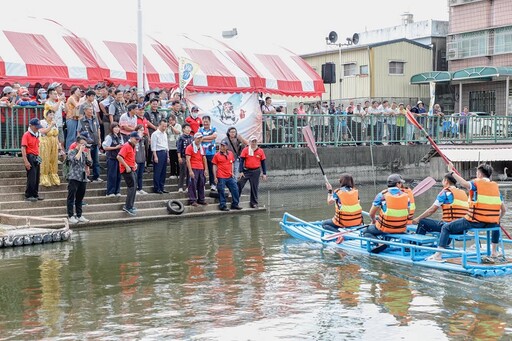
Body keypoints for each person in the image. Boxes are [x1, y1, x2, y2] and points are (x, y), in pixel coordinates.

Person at [426, 163, 507, 262]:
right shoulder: (496, 189)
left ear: (480, 174)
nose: (476, 174)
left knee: (445, 227)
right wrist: (496, 219)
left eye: (477, 172)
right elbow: (504, 210)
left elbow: (464, 184)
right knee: (497, 224)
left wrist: (452, 172)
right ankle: (494, 252)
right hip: (491, 224)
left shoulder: (477, 183)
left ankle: (438, 255)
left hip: (475, 222)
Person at [363, 174, 410, 253]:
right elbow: (407, 213)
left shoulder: (381, 195)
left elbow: (371, 213)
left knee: (366, 231)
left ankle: (379, 243)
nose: (401, 185)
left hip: (385, 228)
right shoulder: (406, 196)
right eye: (401, 183)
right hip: (401, 228)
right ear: (397, 184)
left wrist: (374, 220)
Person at [66, 136, 92, 224]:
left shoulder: (84, 154)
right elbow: (74, 160)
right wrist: (80, 150)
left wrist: (88, 152)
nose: (84, 146)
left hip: (82, 177)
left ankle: (79, 215)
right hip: (74, 177)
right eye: (82, 144)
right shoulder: (71, 151)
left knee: (80, 197)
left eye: (85, 144)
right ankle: (70, 215)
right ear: (77, 143)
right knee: (71, 197)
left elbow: (89, 163)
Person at [212, 138, 242, 211]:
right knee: (221, 190)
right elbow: (214, 166)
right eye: (221, 146)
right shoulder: (217, 155)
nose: (222, 147)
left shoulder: (230, 153)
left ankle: (235, 204)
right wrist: (215, 177)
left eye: (223, 146)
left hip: (229, 176)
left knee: (235, 189)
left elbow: (231, 163)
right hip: (221, 176)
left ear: (227, 147)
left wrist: (232, 172)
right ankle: (223, 205)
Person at [238, 136, 267, 209]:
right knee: (239, 184)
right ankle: (236, 200)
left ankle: (254, 203)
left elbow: (263, 163)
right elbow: (241, 161)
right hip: (246, 170)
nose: (253, 143)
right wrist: (241, 171)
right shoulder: (245, 150)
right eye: (252, 141)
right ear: (250, 142)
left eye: (255, 141)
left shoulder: (260, 151)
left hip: (256, 171)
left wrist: (264, 173)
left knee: (254, 187)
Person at [77, 103, 102, 182]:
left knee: (96, 160)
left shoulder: (95, 118)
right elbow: (78, 131)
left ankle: (96, 176)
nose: (91, 111)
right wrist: (80, 142)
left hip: (95, 141)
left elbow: (98, 129)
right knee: (86, 161)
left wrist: (99, 139)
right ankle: (85, 176)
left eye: (92, 109)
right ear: (85, 111)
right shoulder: (81, 120)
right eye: (89, 109)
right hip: (86, 144)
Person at [117, 131, 141, 216]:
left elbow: (130, 157)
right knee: (131, 187)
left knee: (134, 187)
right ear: (131, 138)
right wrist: (126, 166)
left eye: (138, 139)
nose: (137, 140)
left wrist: (134, 163)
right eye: (136, 139)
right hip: (126, 169)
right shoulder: (126, 146)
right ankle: (128, 207)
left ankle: (130, 205)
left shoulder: (133, 146)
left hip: (131, 168)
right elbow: (119, 157)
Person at [21, 118, 43, 202]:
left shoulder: (36, 135)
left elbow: (37, 147)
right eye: (36, 126)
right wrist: (26, 161)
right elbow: (23, 148)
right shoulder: (26, 135)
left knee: (37, 177)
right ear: (31, 126)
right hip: (30, 156)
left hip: (36, 156)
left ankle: (35, 193)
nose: (37, 128)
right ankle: (28, 194)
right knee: (31, 177)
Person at [39, 110, 61, 187]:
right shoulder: (42, 122)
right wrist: (51, 125)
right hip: (45, 143)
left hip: (54, 144)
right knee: (45, 160)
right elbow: (43, 131)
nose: (52, 116)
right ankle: (44, 177)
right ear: (46, 115)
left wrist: (59, 145)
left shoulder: (55, 123)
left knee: (53, 160)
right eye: (50, 114)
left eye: (53, 114)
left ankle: (53, 176)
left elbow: (56, 135)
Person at [186, 132, 209, 206]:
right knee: (192, 184)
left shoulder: (201, 147)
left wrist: (206, 169)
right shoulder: (190, 147)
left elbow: (204, 158)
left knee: (201, 184)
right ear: (195, 138)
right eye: (198, 138)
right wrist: (190, 170)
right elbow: (188, 159)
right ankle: (192, 200)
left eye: (200, 138)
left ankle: (201, 199)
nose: (199, 139)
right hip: (193, 167)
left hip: (201, 168)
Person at [102, 122, 123, 197]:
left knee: (118, 175)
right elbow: (105, 147)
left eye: (118, 127)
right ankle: (110, 191)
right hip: (111, 158)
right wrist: (115, 147)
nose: (117, 129)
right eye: (115, 127)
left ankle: (117, 191)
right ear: (112, 128)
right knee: (112, 175)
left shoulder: (120, 137)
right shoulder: (109, 137)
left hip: (119, 158)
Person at [198, 115, 217, 190]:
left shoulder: (213, 128)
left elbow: (214, 136)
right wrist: (209, 138)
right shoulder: (200, 129)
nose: (205, 123)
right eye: (204, 121)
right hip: (203, 153)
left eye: (207, 121)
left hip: (211, 152)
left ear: (210, 122)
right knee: (202, 169)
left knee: (212, 169)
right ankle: (202, 184)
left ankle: (213, 184)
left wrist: (203, 138)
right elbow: (199, 139)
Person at [151, 119, 169, 194]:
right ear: (159, 125)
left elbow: (166, 145)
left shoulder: (165, 134)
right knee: (158, 171)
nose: (164, 127)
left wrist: (168, 156)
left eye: (165, 126)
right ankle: (156, 187)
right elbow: (153, 146)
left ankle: (162, 187)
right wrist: (155, 156)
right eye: (163, 126)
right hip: (158, 152)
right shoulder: (155, 134)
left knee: (163, 172)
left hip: (164, 152)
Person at [177, 123, 194, 193]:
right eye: (187, 128)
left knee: (188, 172)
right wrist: (179, 157)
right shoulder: (181, 137)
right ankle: (180, 187)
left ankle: (188, 186)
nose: (189, 129)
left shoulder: (192, 138)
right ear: (183, 129)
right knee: (182, 172)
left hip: (190, 158)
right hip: (183, 157)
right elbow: (179, 148)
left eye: (189, 128)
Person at [167, 114, 182, 180]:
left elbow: (177, 132)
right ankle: (173, 173)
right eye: (170, 120)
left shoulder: (178, 126)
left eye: (172, 120)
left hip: (177, 146)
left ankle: (179, 173)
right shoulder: (167, 127)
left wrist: (172, 127)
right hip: (170, 146)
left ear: (175, 120)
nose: (171, 121)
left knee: (178, 161)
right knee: (172, 161)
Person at [134, 124, 148, 195]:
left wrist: (145, 160)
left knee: (140, 175)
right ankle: (135, 189)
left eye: (143, 130)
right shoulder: (134, 139)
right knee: (135, 176)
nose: (142, 132)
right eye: (140, 130)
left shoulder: (143, 139)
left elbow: (145, 150)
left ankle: (140, 188)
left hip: (142, 159)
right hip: (136, 160)